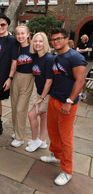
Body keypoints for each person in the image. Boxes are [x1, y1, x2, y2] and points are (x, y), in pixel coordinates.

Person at [40, 28, 87, 186]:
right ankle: (56, 155)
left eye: (59, 38)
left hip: (67, 102)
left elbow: (80, 81)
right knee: (53, 132)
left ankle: (67, 170)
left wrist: (69, 101)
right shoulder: (56, 57)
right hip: (54, 99)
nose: (56, 41)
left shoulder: (76, 57)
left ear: (67, 39)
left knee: (66, 138)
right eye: (53, 39)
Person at [26, 32, 53, 152]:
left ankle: (35, 140)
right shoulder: (35, 57)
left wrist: (41, 98)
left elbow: (49, 81)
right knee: (43, 117)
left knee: (31, 115)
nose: (37, 43)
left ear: (45, 43)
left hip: (47, 94)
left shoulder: (48, 58)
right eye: (35, 41)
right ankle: (42, 141)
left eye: (40, 41)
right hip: (40, 92)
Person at [9, 24, 34, 147]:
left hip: (28, 78)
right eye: (18, 34)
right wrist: (10, 78)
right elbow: (14, 63)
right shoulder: (16, 47)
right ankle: (16, 130)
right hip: (17, 77)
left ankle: (20, 137)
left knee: (21, 109)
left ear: (28, 34)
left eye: (23, 33)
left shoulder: (33, 48)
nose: (20, 36)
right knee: (14, 107)